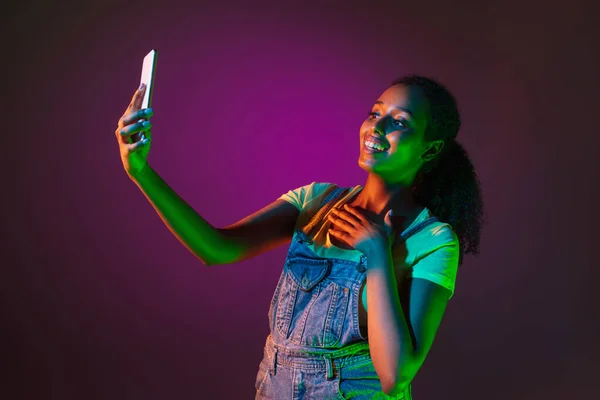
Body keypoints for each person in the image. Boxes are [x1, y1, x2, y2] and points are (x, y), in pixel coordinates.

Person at [115, 74, 484, 399]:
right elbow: (217, 249)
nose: (377, 127)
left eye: (399, 122)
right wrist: (141, 172)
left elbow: (394, 376)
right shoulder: (314, 201)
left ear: (430, 148)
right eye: (375, 113)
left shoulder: (434, 240)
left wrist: (377, 255)